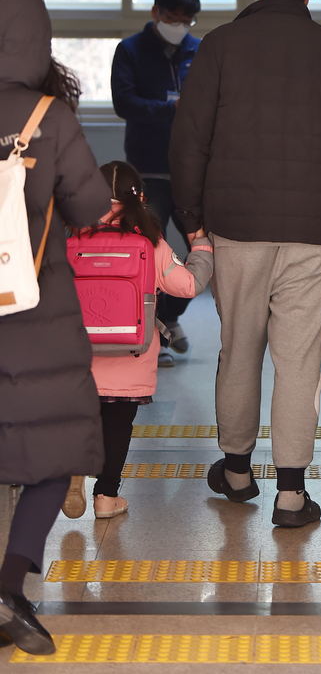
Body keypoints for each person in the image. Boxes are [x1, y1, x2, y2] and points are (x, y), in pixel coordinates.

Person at [169, 0, 321, 528]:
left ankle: (237, 471)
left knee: (239, 346)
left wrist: (194, 221)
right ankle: (292, 494)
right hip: (316, 233)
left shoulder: (219, 48)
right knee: (299, 359)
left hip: (236, 229)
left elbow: (189, 141)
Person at [0, 0, 111, 655]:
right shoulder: (52, 119)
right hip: (36, 310)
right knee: (50, 457)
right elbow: (93, 210)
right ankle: (11, 585)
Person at [62, 162, 214, 521]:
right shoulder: (150, 244)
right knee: (117, 424)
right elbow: (188, 285)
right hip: (130, 353)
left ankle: (74, 471)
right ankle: (106, 496)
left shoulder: (72, 240)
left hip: (80, 352)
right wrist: (202, 247)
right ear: (141, 198)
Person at [111, 0, 201, 368]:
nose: (178, 26)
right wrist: (170, 109)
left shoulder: (200, 50)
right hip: (148, 170)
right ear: (155, 13)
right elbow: (123, 102)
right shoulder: (130, 50)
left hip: (193, 170)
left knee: (206, 250)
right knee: (150, 253)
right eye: (172, 18)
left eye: (187, 20)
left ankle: (169, 317)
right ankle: (154, 336)